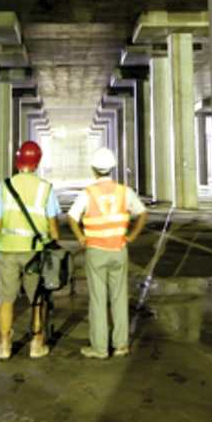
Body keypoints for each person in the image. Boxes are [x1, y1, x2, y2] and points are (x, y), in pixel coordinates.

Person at [67, 146, 147, 359]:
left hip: (96, 251)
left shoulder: (88, 193)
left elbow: (72, 216)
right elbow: (142, 213)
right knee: (120, 297)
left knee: (98, 299)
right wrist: (131, 236)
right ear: (112, 168)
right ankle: (121, 344)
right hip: (119, 249)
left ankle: (100, 348)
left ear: (93, 169)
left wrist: (80, 237)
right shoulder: (124, 191)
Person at [0, 140, 61, 360]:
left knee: (6, 299)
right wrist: (54, 247)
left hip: (8, 250)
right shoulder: (45, 188)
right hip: (36, 252)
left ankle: (4, 346)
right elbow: (52, 224)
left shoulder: (5, 186)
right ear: (37, 162)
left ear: (18, 160)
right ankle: (36, 344)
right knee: (37, 299)